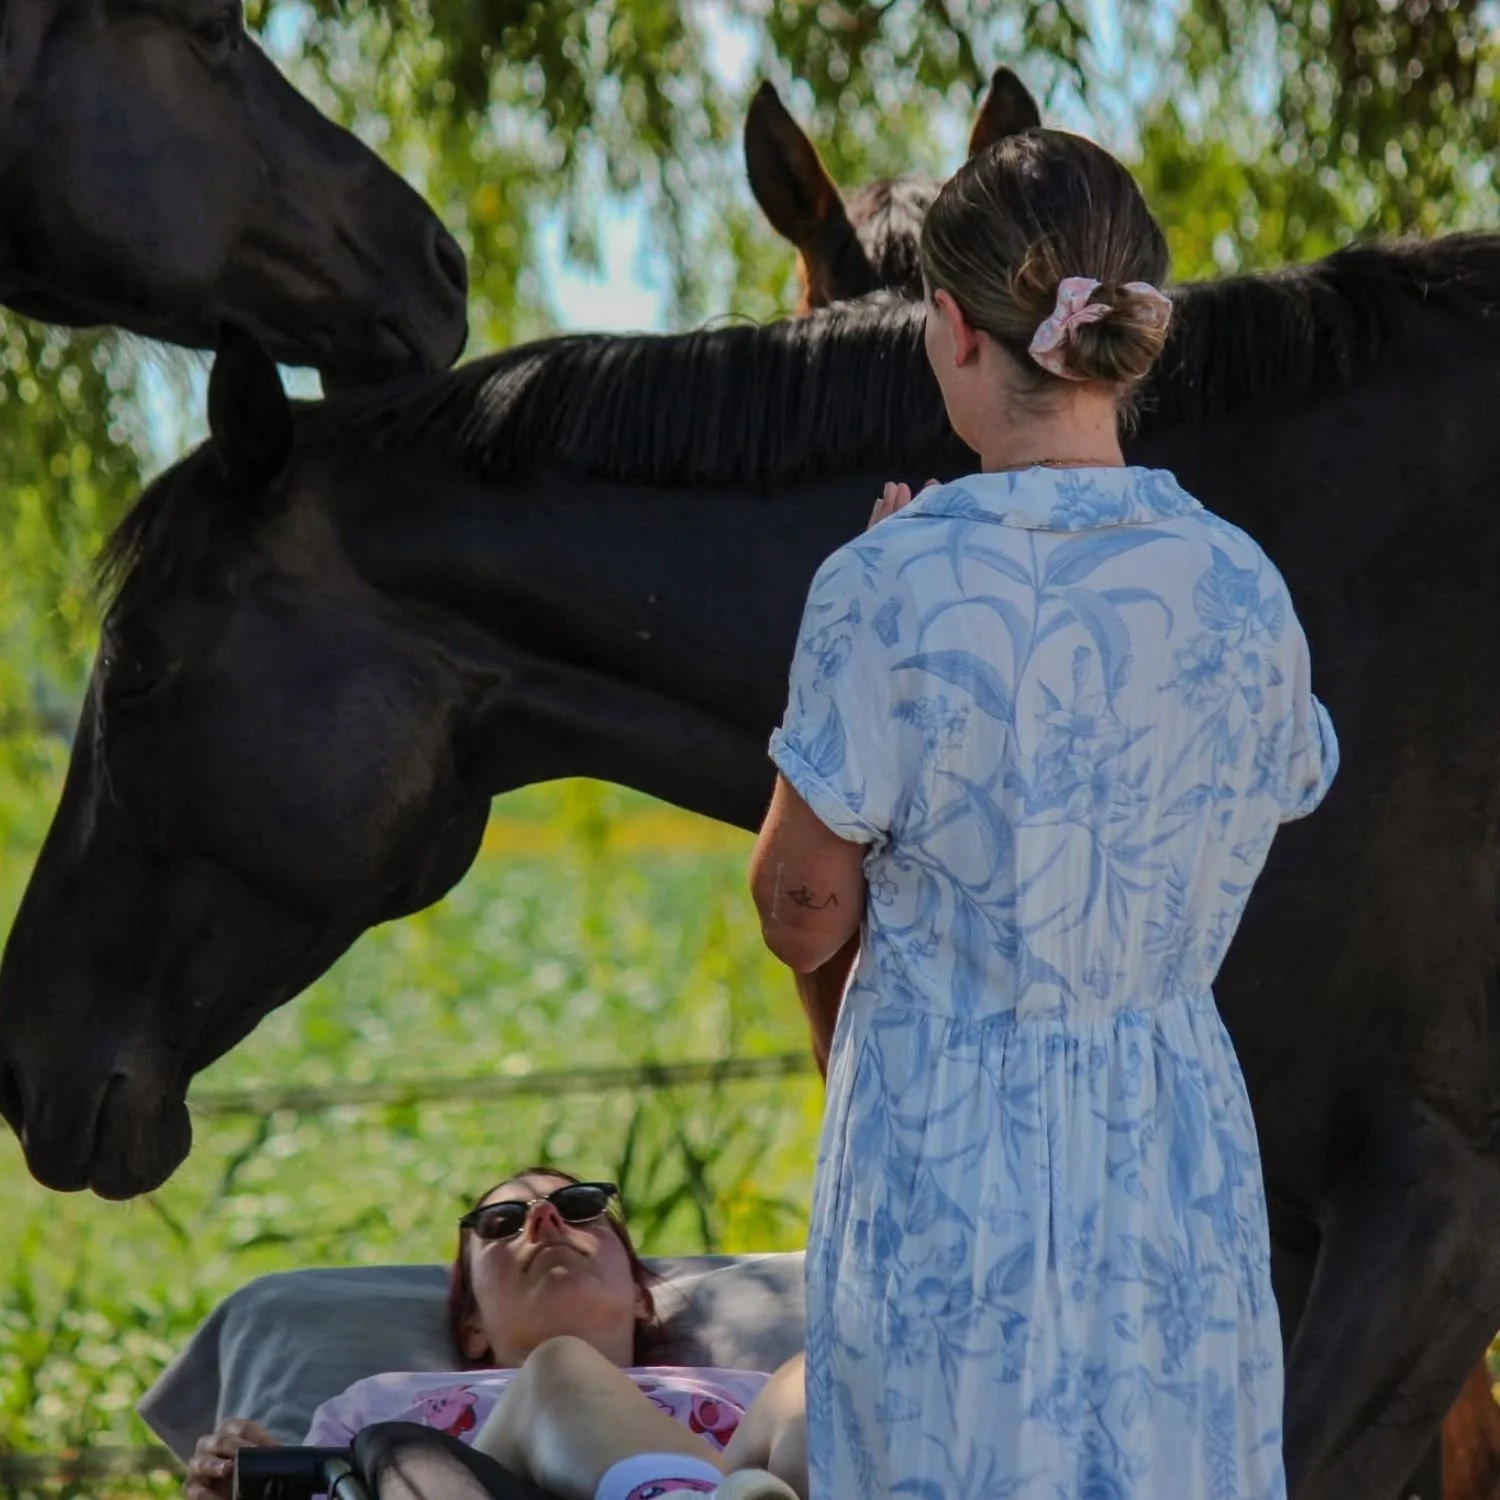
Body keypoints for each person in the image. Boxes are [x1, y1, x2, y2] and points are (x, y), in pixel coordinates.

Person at [749, 128, 1338, 1500]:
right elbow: (1269, 790)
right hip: (1173, 1153)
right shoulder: (1242, 584)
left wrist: (865, 633)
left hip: (951, 1161)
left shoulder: (883, 587)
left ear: (954, 329)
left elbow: (799, 914)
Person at [185, 1168, 808, 1500]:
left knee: (813, 1379)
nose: (546, 1218)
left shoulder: (745, 1393)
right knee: (558, 1368)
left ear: (642, 1298)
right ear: (473, 1325)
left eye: (582, 1206)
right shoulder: (377, 1407)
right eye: (502, 1222)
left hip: (752, 1481)